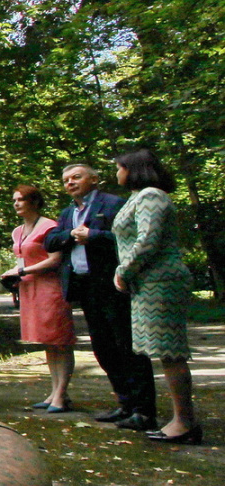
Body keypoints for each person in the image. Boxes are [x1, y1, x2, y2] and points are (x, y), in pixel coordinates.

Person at [43, 163, 158, 431]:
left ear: (94, 180)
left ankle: (144, 410)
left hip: (113, 285)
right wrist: (72, 235)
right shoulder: (68, 213)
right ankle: (125, 403)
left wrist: (93, 235)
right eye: (66, 180)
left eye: (76, 177)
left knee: (127, 346)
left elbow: (130, 239)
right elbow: (50, 241)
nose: (70, 183)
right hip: (84, 287)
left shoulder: (114, 204)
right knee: (103, 348)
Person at [110, 149, 200, 445]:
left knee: (170, 351)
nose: (117, 173)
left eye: (119, 168)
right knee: (164, 352)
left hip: (161, 281)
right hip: (148, 282)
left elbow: (148, 239)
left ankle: (185, 422)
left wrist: (124, 271)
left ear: (133, 169)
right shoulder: (138, 197)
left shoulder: (151, 195)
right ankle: (181, 418)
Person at [1, 184, 75, 411]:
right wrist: (15, 275)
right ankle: (54, 391)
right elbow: (22, 259)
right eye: (14, 200)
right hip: (29, 289)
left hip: (50, 288)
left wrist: (23, 271)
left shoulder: (49, 227)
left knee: (60, 341)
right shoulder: (17, 231)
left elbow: (55, 259)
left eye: (21, 199)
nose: (16, 204)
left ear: (34, 202)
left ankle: (61, 394)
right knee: (48, 342)